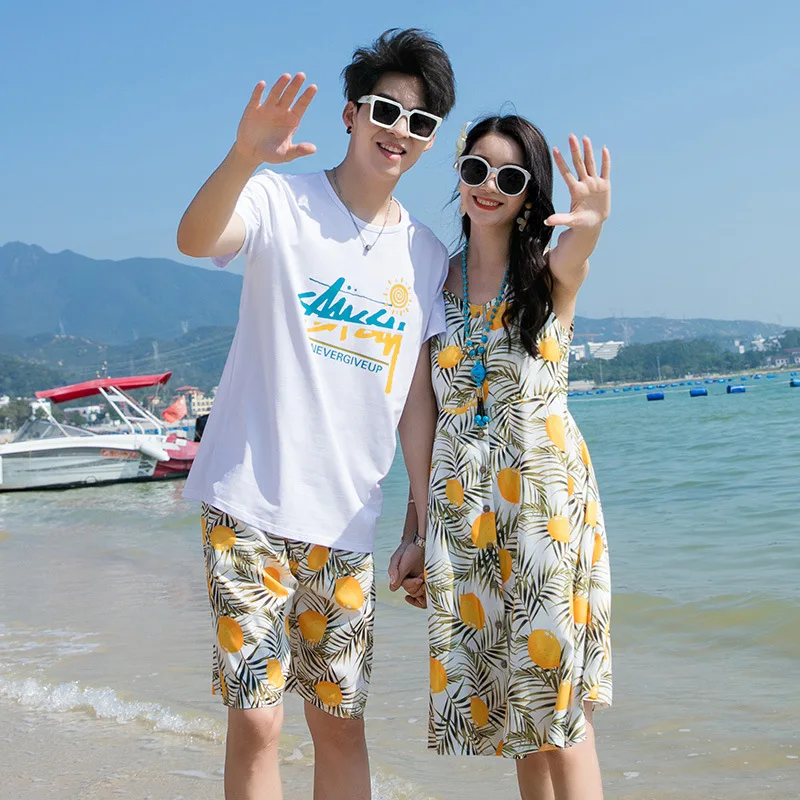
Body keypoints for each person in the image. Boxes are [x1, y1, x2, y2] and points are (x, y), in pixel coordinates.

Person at [176, 29, 455, 800]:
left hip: (345, 525)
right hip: (248, 504)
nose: (399, 130)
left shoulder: (426, 257)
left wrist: (419, 520)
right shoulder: (279, 198)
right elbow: (196, 238)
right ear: (349, 114)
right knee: (257, 718)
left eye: (420, 122)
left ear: (430, 141)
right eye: (385, 110)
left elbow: (414, 405)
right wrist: (244, 157)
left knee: (340, 724)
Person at [389, 116, 612, 800]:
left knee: (558, 715)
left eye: (510, 178)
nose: (489, 187)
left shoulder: (549, 275)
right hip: (464, 513)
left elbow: (579, 251)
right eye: (476, 169)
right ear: (458, 173)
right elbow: (421, 413)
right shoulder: (431, 280)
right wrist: (415, 530)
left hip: (546, 511)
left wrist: (593, 221)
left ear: (527, 195)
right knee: (516, 716)